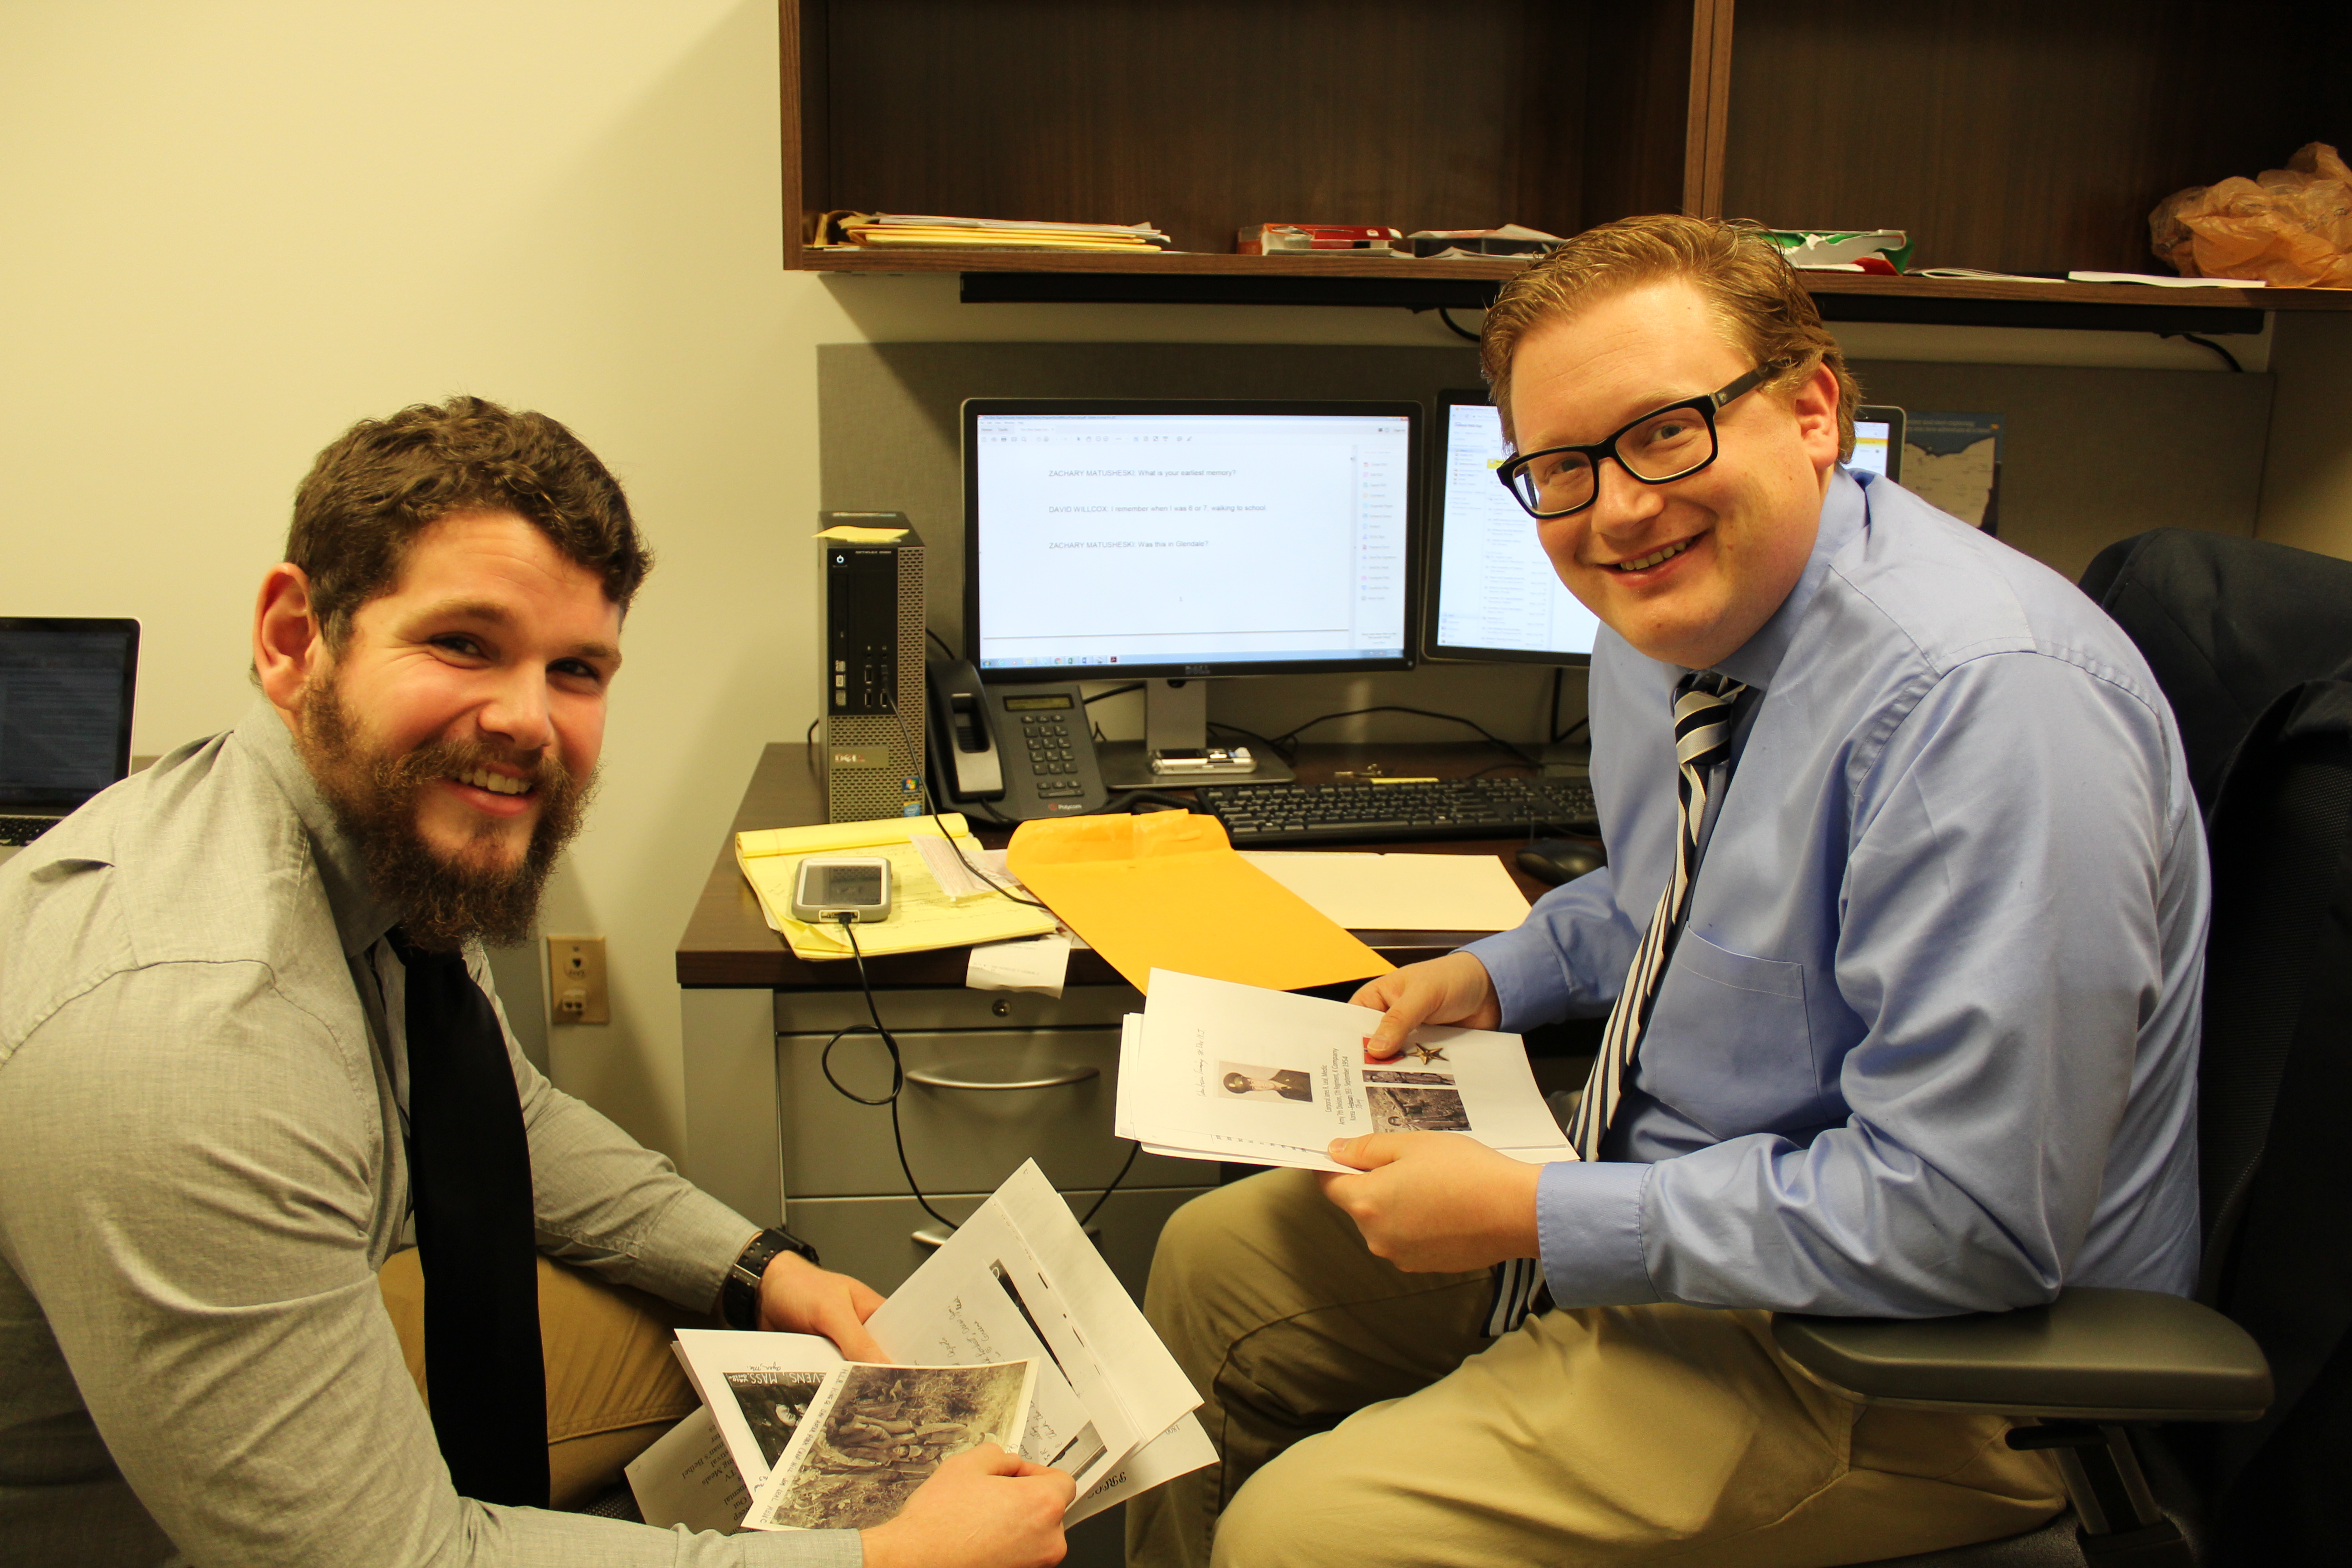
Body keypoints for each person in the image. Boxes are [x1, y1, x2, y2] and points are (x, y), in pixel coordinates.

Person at [1128, 216, 2206, 1568]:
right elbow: (1676, 899)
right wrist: (1496, 973)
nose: (1620, 509)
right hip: (1671, 1214)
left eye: (1666, 431)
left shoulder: (1990, 706)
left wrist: (1535, 1217)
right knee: (1211, 1271)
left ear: (1813, 409)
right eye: (1563, 467)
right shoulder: (1670, 620)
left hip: (1899, 1357)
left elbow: (1965, 1223)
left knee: (1300, 1537)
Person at [0, 397, 1073, 1567]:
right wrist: (885, 1562)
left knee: (743, 1369)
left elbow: (511, 1120)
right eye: (463, 643)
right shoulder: (192, 1043)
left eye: (575, 669)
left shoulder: (374, 839)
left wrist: (766, 1275)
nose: (525, 720)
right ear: (295, 636)